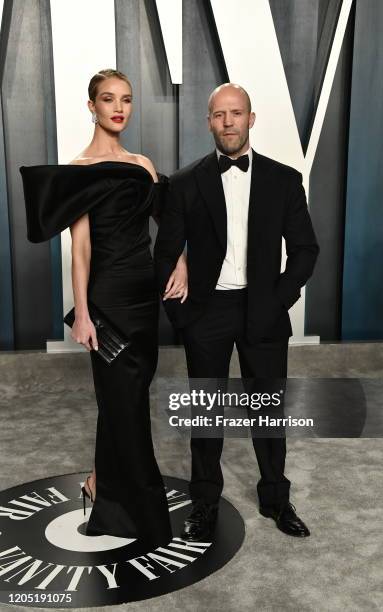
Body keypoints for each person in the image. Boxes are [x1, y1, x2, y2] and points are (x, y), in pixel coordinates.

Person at [20, 69, 187, 547]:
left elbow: (168, 224)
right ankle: (144, 515)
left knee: (124, 400)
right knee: (127, 404)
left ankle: (99, 482)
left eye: (127, 100)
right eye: (109, 99)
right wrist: (84, 313)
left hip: (144, 296)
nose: (119, 108)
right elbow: (81, 250)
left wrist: (183, 265)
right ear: (90, 106)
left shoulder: (143, 163)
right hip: (108, 299)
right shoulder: (77, 170)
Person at [154, 83, 319, 540]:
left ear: (251, 118)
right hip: (205, 312)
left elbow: (305, 250)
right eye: (219, 115)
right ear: (208, 121)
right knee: (207, 415)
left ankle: (277, 502)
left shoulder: (284, 180)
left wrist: (278, 299)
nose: (228, 122)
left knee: (268, 413)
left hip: (262, 309)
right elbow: (165, 251)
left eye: (236, 113)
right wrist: (181, 306)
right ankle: (205, 504)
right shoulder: (185, 182)